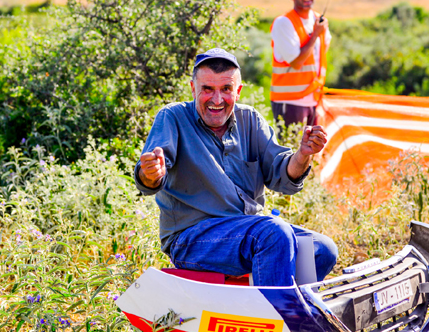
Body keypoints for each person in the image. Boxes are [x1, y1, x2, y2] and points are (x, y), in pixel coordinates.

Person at [135, 48, 338, 287]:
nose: (217, 100)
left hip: (246, 232)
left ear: (238, 91)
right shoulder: (173, 117)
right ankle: (278, 316)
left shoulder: (249, 119)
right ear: (193, 89)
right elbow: (149, 178)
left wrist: (303, 154)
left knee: (323, 250)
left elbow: (283, 176)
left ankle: (298, 313)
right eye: (207, 89)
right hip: (192, 238)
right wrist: (150, 173)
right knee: (274, 233)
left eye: (226, 89)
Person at [270, 0, 331, 132]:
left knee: (313, 153)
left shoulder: (319, 20)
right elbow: (297, 63)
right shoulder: (284, 23)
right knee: (292, 152)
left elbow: (321, 54)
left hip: (315, 99)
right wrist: (315, 34)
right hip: (290, 102)